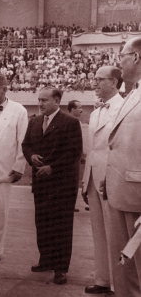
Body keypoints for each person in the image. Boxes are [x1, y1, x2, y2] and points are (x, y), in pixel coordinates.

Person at [22, 87, 82, 285]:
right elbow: (26, 145)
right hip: (41, 183)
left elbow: (74, 152)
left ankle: (60, 268)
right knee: (43, 223)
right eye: (39, 100)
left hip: (62, 184)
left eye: (44, 100)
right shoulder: (35, 121)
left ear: (57, 101)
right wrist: (31, 156)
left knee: (61, 226)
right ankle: (45, 260)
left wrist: (52, 168)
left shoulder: (70, 122)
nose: (40, 104)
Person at [81, 66, 123, 295]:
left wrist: (112, 176)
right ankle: (103, 279)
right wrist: (85, 180)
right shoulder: (96, 112)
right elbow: (93, 150)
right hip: (93, 179)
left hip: (111, 179)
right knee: (98, 232)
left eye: (100, 79)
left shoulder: (125, 108)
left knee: (116, 234)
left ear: (114, 82)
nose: (94, 82)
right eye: (94, 78)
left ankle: (120, 283)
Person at [104, 37, 141, 297]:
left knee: (137, 267)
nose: (120, 60)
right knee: (125, 267)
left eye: (123, 55)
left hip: (137, 195)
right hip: (121, 191)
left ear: (137, 57)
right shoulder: (132, 92)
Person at [0, 74, 28, 263]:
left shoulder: (19, 110)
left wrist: (19, 166)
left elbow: (22, 141)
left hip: (5, 169)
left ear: (4, 89)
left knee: (1, 212)